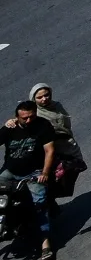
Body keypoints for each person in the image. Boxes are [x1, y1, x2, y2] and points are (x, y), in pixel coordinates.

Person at [1, 100, 55, 254]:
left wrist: (44, 173)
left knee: (39, 205)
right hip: (10, 171)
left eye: (31, 117)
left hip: (34, 173)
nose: (28, 120)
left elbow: (49, 151)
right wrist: (5, 126)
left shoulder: (43, 126)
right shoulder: (9, 128)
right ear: (17, 117)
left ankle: (45, 243)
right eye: (24, 118)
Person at [27, 86, 79, 203]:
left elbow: (65, 124)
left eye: (46, 95)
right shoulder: (33, 114)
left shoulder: (56, 106)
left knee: (72, 170)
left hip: (67, 145)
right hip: (50, 151)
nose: (44, 99)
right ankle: (49, 201)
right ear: (33, 99)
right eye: (39, 97)